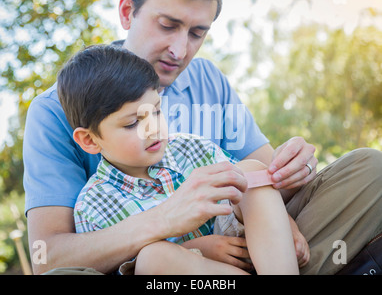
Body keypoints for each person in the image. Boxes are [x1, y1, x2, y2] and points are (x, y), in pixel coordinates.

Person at [23, 0, 382, 275]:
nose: (180, 50)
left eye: (197, 33)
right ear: (127, 12)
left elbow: (263, 182)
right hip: (160, 267)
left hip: (253, 247)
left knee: (370, 168)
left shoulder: (207, 78)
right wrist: (169, 221)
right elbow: (47, 258)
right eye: (168, 25)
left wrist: (290, 173)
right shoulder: (54, 111)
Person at [57, 44, 300, 274]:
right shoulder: (93, 206)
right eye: (133, 123)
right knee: (154, 258)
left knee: (250, 172)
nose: (153, 128)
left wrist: (283, 222)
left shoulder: (189, 147)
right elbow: (125, 268)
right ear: (90, 140)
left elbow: (251, 197)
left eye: (156, 111)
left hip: (249, 248)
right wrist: (197, 251)